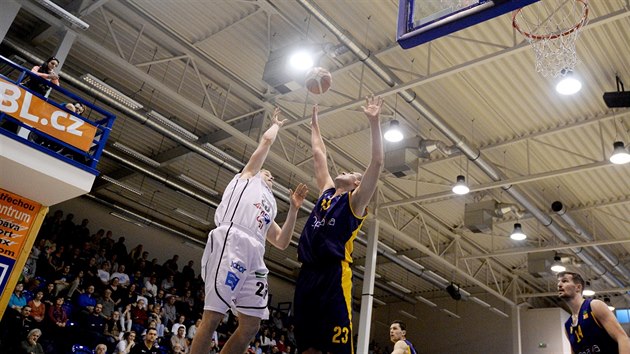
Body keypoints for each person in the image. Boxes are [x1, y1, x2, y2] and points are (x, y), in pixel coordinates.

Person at [190, 108, 308, 354]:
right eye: (267, 172)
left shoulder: (270, 205)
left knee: (252, 325)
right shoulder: (246, 178)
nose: (270, 175)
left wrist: (294, 210)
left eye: (272, 176)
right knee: (213, 315)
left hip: (255, 251)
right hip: (232, 239)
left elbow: (282, 242)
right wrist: (275, 125)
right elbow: (265, 142)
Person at [293, 96, 384, 354]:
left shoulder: (355, 203)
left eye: (352, 172)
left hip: (333, 276)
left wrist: (374, 121)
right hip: (308, 274)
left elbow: (376, 163)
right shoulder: (326, 193)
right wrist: (314, 123)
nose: (345, 170)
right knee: (307, 348)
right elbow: (318, 153)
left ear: (357, 183)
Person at [557, 271, 630, 353]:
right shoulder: (567, 326)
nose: (559, 284)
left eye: (564, 281)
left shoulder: (594, 306)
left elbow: (623, 339)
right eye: (558, 281)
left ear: (578, 287)